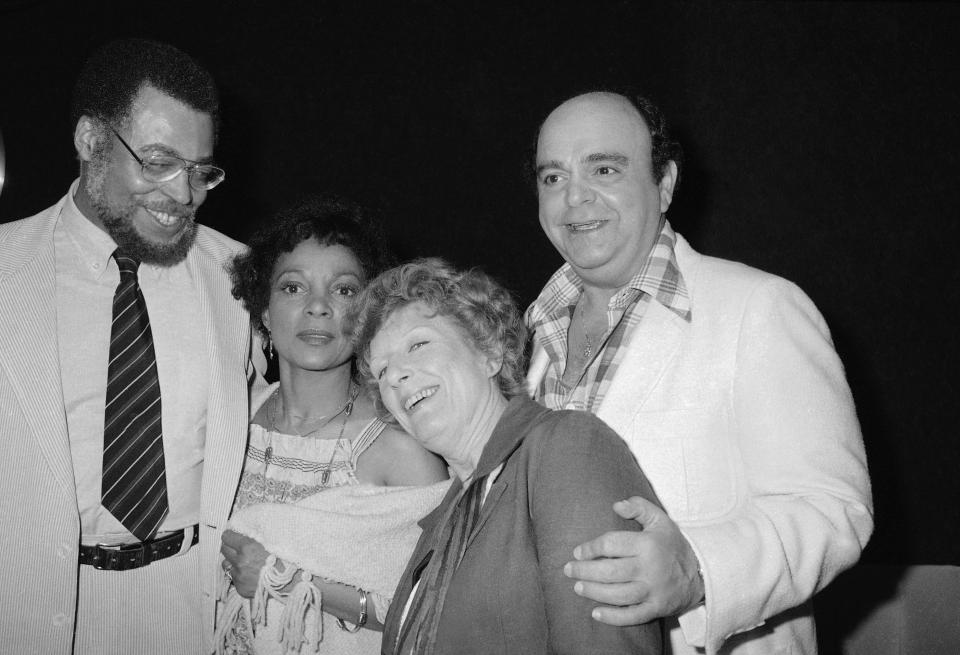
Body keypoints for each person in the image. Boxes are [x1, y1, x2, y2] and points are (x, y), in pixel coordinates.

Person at [524, 90, 874, 654]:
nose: (575, 198)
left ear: (664, 184)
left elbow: (833, 510)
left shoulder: (759, 306)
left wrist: (696, 567)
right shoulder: (530, 335)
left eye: (605, 168)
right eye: (553, 178)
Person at [0, 38, 263, 654]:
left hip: (197, 601)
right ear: (91, 141)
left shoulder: (241, 274)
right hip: (37, 606)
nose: (184, 194)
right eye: (158, 162)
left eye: (201, 171)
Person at [351, 258, 663, 654]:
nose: (394, 375)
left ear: (489, 352)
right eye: (382, 370)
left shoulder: (566, 448)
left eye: (418, 344)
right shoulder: (443, 520)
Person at [216, 195, 450, 654]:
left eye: (343, 290)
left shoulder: (397, 450)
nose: (318, 307)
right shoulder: (231, 419)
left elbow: (435, 610)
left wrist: (287, 581)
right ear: (263, 310)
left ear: (367, 314)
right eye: (293, 287)